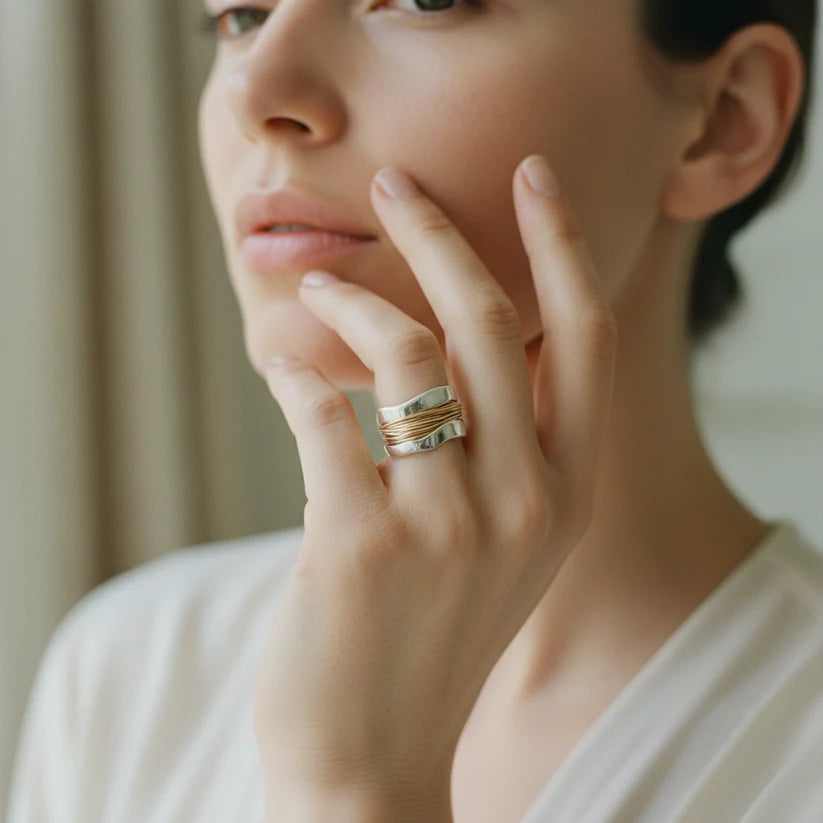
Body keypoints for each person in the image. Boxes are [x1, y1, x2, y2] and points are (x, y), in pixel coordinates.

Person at [7, 1, 823, 821]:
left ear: (724, 119)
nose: (256, 90)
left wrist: (354, 784)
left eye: (427, 0)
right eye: (240, 15)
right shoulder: (135, 672)